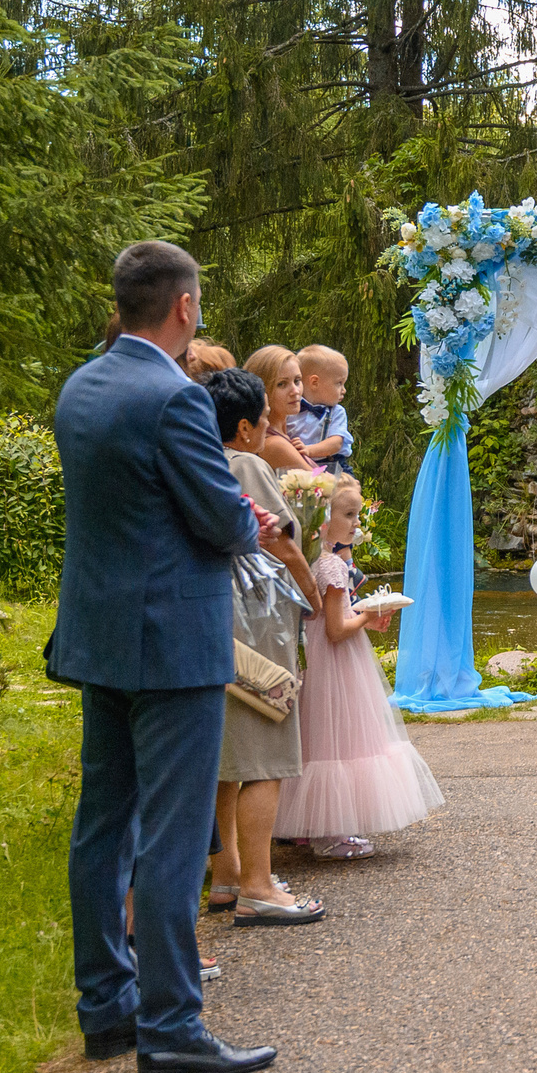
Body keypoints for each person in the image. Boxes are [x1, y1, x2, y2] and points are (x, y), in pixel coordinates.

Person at [47, 240, 276, 1073]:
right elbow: (221, 522)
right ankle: (173, 1026)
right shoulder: (175, 398)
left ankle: (107, 1008)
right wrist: (250, 517)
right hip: (173, 642)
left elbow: (132, 503)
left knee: (103, 826)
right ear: (184, 306)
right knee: (175, 839)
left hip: (98, 634)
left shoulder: (82, 386)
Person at [203, 367, 329, 927]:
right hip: (257, 622)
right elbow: (278, 542)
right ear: (245, 427)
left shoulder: (200, 462)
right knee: (265, 754)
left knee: (228, 757)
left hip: (215, 618)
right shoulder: (246, 464)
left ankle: (227, 875)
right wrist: (312, 594)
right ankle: (259, 886)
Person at [274, 479, 443, 856]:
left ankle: (305, 824)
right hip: (334, 663)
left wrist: (361, 614)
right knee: (340, 739)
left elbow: (323, 618)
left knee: (314, 739)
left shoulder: (309, 560)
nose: (356, 523)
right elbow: (336, 631)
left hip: (311, 656)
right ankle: (331, 833)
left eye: (357, 515)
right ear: (323, 519)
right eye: (349, 515)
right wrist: (367, 616)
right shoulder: (333, 566)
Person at [240, 344, 316, 472]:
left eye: (297, 381)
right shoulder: (274, 444)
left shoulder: (286, 433)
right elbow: (322, 483)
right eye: (281, 384)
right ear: (262, 390)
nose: (295, 391)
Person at [291, 344, 354, 474]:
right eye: (339, 383)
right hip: (298, 466)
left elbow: (336, 443)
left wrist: (309, 450)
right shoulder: (291, 409)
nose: (344, 390)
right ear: (315, 382)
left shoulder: (337, 412)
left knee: (345, 486)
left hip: (333, 465)